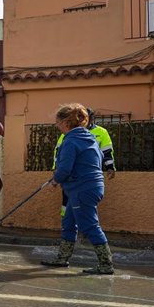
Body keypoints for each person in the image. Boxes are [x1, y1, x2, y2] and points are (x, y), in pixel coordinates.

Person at [41, 103, 114, 275]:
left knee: (89, 226)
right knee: (68, 223)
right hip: (87, 187)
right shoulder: (89, 137)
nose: (57, 126)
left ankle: (106, 264)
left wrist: (54, 181)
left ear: (66, 123)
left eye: (58, 122)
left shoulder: (71, 140)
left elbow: (65, 168)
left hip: (82, 189)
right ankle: (62, 258)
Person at [53, 107, 116, 217]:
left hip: (84, 178)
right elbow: (58, 153)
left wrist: (110, 167)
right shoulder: (67, 134)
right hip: (72, 178)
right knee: (68, 208)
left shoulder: (100, 132)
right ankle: (67, 223)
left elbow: (106, 152)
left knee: (87, 218)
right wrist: (56, 169)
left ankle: (81, 226)